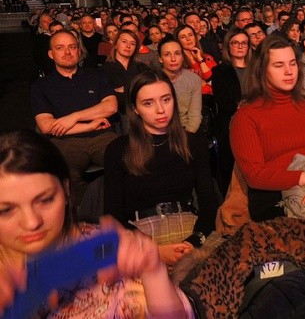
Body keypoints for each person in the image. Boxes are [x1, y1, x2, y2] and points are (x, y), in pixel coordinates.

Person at [0, 129, 193, 318]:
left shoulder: (109, 251)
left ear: (66, 190)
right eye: (6, 210)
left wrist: (153, 273)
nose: (32, 222)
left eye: (45, 200)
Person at [104, 70, 217, 265]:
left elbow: (209, 203)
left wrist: (193, 242)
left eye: (166, 99)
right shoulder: (118, 150)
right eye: (148, 103)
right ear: (135, 109)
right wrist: (153, 251)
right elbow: (113, 216)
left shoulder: (193, 143)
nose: (160, 110)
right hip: (140, 236)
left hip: (190, 230)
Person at [229, 35, 305, 221]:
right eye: (279, 65)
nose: (289, 71)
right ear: (261, 70)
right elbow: (254, 175)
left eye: (292, 63)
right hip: (274, 196)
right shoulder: (246, 117)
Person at [30, 30, 118, 210]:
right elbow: (46, 126)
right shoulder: (41, 86)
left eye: (72, 47)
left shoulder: (96, 75)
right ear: (51, 54)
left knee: (126, 160)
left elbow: (111, 107)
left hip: (102, 137)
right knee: (64, 173)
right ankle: (84, 217)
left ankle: (119, 212)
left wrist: (73, 118)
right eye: (60, 48)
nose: (67, 52)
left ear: (79, 51)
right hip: (66, 142)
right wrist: (89, 125)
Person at [211, 28, 252, 189]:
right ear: (228, 46)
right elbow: (223, 102)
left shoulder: (257, 69)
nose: (240, 46)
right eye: (235, 43)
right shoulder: (220, 71)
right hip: (231, 121)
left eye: (244, 43)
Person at [101, 29, 149, 122]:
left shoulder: (142, 68)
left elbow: (147, 93)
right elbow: (107, 100)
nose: (128, 46)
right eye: (124, 42)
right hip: (117, 117)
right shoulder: (105, 69)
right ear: (115, 45)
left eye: (132, 44)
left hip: (141, 113)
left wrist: (123, 90)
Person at [159, 38, 202, 133]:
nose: (173, 59)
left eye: (177, 54)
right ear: (160, 59)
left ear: (182, 57)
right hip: (161, 130)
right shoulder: (154, 81)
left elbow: (194, 115)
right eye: (167, 55)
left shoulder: (194, 79)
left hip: (186, 129)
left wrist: (187, 136)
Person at [175, 24, 217, 98]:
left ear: (195, 37)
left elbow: (216, 82)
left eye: (190, 35)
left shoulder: (207, 57)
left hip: (214, 98)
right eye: (183, 37)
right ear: (178, 41)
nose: (188, 39)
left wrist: (200, 61)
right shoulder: (177, 62)